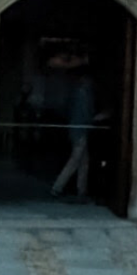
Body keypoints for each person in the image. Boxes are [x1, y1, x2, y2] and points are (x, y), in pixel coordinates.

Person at [46, 44, 101, 199]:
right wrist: (94, 119)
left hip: (78, 127)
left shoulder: (79, 92)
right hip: (79, 129)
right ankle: (57, 187)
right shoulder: (83, 93)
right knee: (76, 159)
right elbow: (83, 113)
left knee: (84, 161)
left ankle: (81, 190)